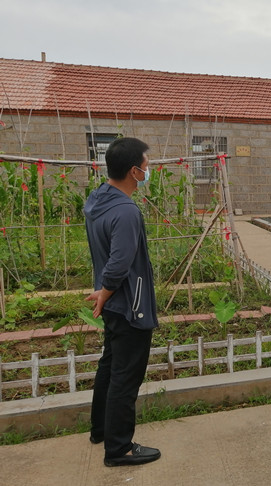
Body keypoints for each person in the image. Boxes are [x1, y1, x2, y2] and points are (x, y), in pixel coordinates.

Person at [84, 137, 161, 467]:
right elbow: (119, 261)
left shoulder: (97, 199)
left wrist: (104, 292)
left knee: (110, 365)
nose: (148, 171)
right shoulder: (126, 211)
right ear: (133, 171)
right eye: (146, 166)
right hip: (130, 304)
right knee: (126, 376)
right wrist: (106, 290)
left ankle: (101, 430)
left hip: (114, 304)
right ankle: (118, 448)